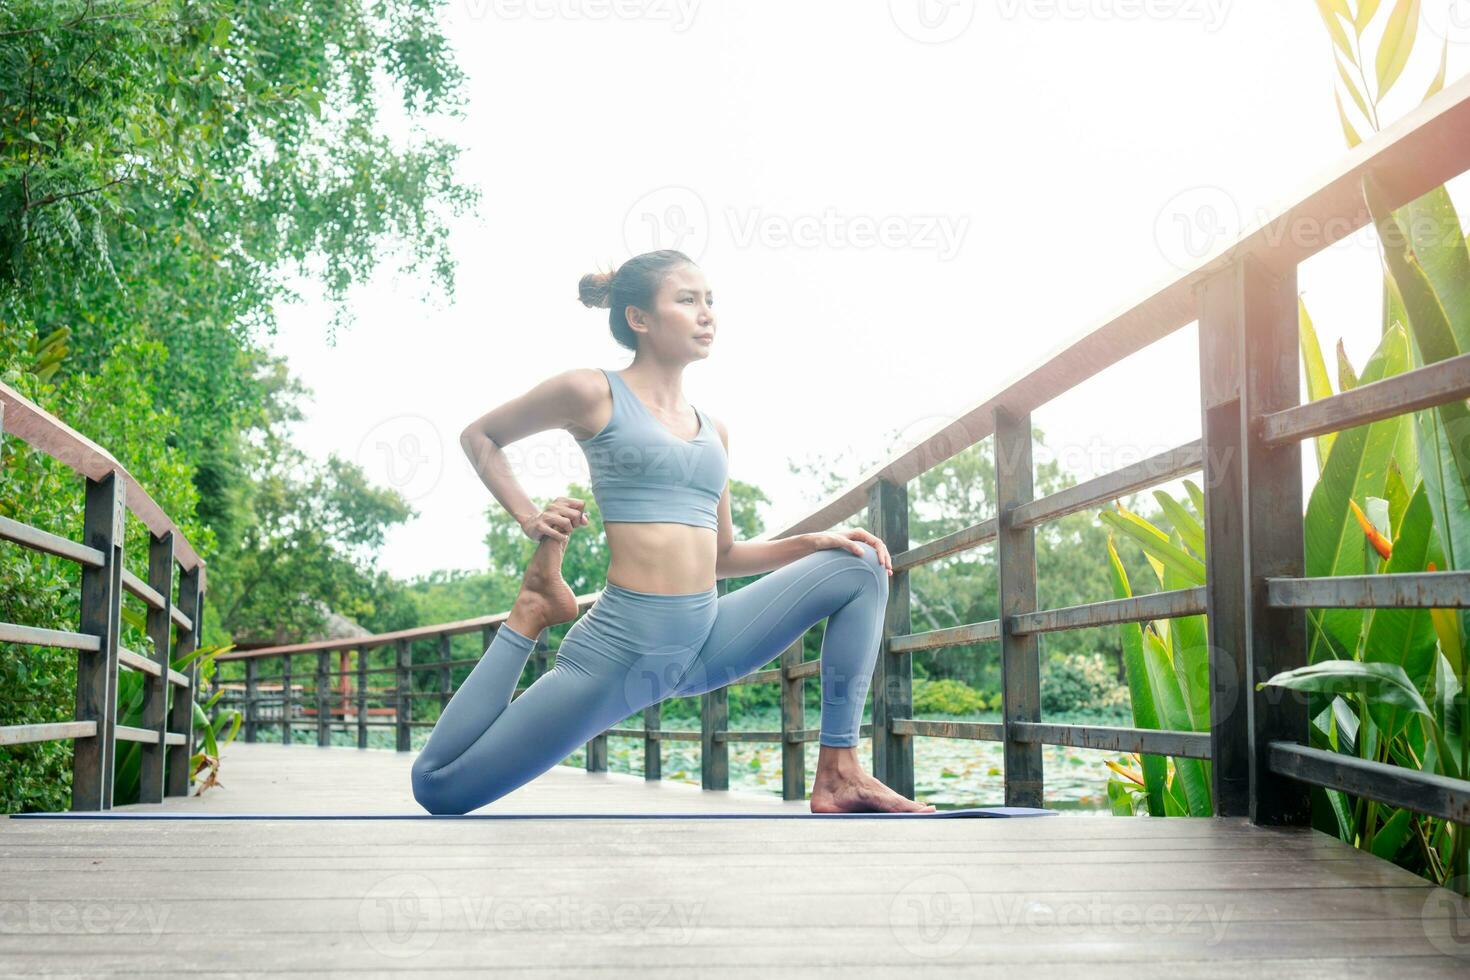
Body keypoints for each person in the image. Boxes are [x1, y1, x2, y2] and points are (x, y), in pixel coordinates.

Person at [410, 249, 935, 815]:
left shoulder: (715, 432)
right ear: (640, 318)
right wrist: (528, 517)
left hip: (705, 640)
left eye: (710, 301)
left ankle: (839, 771)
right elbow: (479, 436)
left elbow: (723, 557)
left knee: (859, 566)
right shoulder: (593, 392)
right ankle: (532, 610)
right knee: (440, 788)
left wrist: (811, 543)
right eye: (687, 300)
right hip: (618, 652)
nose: (706, 313)